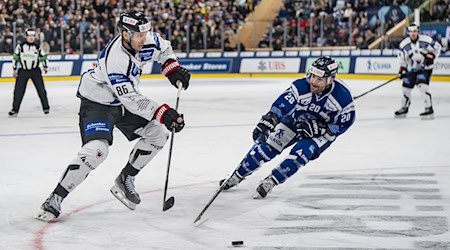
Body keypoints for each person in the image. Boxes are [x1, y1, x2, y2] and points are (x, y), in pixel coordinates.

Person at [36, 11, 190, 222]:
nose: (144, 39)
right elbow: (131, 99)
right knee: (96, 151)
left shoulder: (145, 39)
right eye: (139, 35)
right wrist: (162, 112)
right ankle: (55, 198)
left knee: (158, 134)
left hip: (122, 102)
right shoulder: (115, 59)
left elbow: (164, 48)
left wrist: (172, 68)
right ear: (126, 34)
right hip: (98, 103)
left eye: (146, 32)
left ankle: (126, 178)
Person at [220, 56, 355, 199]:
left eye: (319, 79)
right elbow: (282, 104)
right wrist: (269, 120)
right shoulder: (300, 86)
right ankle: (237, 175)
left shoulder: (343, 98)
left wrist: (323, 128)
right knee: (267, 147)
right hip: (293, 121)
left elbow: (345, 123)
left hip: (319, 133)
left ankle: (271, 181)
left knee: (300, 155)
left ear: (330, 80)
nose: (313, 82)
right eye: (312, 76)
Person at [395, 23, 442, 119]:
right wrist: (402, 70)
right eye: (411, 31)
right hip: (411, 69)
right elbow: (402, 59)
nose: (413, 33)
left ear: (418, 31)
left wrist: (432, 57)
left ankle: (428, 109)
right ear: (408, 32)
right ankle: (404, 108)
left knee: (423, 86)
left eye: (415, 31)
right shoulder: (403, 45)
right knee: (406, 87)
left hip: (425, 68)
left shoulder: (427, 40)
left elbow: (438, 48)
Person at [8, 29, 49, 117]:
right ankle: (15, 110)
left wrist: (45, 67)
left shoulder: (38, 47)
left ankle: (46, 108)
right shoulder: (20, 46)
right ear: (26, 37)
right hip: (23, 71)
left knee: (41, 90)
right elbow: (15, 58)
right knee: (18, 91)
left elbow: (43, 57)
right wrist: (14, 70)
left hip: (35, 71)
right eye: (29, 36)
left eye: (33, 36)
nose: (31, 38)